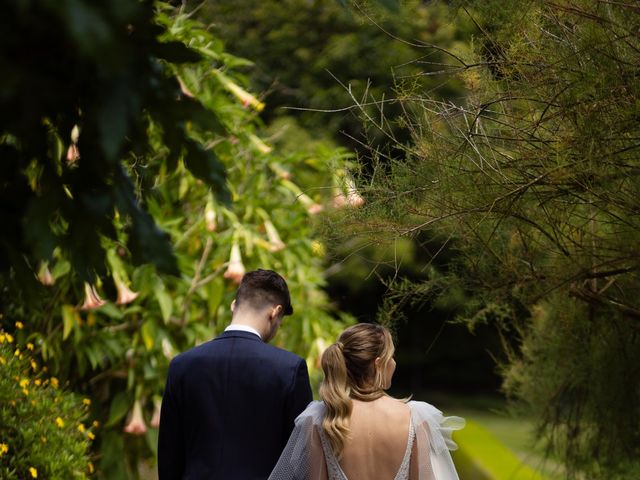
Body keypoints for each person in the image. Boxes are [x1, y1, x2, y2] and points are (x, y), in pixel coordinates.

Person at [158, 269, 313, 479]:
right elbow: (301, 458)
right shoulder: (290, 369)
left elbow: (169, 455)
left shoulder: (182, 365)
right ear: (275, 312)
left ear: (233, 306)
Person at [268, 323, 464, 480]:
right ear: (378, 363)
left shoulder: (321, 418)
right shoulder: (415, 418)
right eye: (391, 356)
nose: (394, 363)